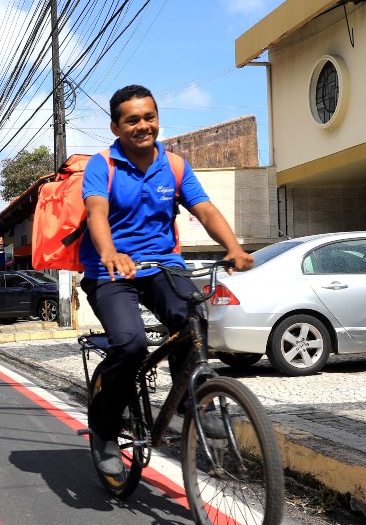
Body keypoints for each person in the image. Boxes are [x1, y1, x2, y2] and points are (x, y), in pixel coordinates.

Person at [82, 84, 255, 477]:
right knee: (130, 344)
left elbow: (205, 209)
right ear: (115, 127)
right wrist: (109, 251)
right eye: (132, 120)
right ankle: (105, 430)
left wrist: (233, 247)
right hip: (110, 270)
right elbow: (95, 212)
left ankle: (191, 400)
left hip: (162, 264)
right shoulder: (102, 165)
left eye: (149, 117)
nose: (143, 126)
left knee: (192, 316)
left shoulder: (174, 165)